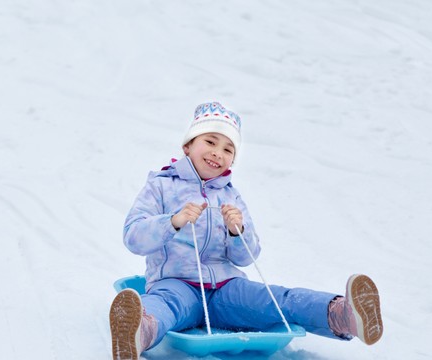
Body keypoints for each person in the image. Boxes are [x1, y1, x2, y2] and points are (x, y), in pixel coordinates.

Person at [109, 101, 383, 359]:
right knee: (164, 307)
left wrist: (236, 231)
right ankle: (137, 332)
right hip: (176, 284)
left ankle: (342, 315)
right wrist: (173, 221)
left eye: (229, 149)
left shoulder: (231, 197)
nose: (218, 152)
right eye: (210, 141)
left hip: (226, 289)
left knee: (277, 299)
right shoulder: (161, 186)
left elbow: (247, 256)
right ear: (187, 146)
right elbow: (133, 237)